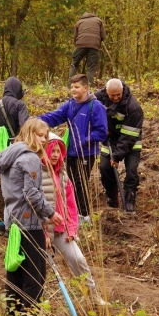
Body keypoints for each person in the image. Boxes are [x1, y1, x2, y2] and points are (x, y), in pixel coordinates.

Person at [0, 118, 64, 316]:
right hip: (28, 221)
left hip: (13, 219)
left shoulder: (8, 155)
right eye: (39, 135)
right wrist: (51, 213)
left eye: (45, 136)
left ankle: (15, 314)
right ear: (28, 133)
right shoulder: (30, 158)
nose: (43, 140)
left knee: (16, 267)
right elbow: (32, 193)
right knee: (36, 271)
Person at [43, 132, 108, 306]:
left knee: (79, 260)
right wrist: (43, 233)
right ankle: (33, 308)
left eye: (58, 151)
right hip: (41, 232)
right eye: (52, 150)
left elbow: (71, 206)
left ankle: (93, 298)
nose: (56, 155)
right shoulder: (36, 175)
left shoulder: (63, 176)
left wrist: (72, 229)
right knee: (37, 271)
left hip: (61, 231)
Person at [40, 74, 107, 224]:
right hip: (71, 152)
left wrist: (85, 141)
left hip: (87, 153)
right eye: (71, 87)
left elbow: (102, 132)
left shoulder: (95, 106)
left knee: (80, 183)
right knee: (69, 182)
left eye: (76, 87)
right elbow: (55, 117)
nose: (73, 90)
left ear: (85, 88)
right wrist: (37, 120)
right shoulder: (70, 105)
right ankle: (73, 213)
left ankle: (85, 215)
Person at [0, 76, 29, 234]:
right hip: (15, 153)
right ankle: (14, 224)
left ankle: (0, 224)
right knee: (16, 188)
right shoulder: (20, 105)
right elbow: (25, 128)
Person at [94, 78, 143, 213]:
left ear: (122, 91)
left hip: (131, 140)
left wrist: (116, 157)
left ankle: (129, 201)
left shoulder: (133, 107)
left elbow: (128, 137)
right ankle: (112, 198)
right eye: (112, 95)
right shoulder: (98, 97)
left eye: (118, 95)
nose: (115, 98)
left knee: (131, 170)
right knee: (104, 168)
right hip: (109, 139)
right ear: (106, 92)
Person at [68, 12, 105, 85]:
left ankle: (70, 86)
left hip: (80, 45)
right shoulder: (99, 21)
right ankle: (88, 87)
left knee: (74, 64)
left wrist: (79, 48)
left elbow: (75, 38)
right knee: (91, 68)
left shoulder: (79, 22)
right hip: (94, 45)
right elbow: (103, 36)